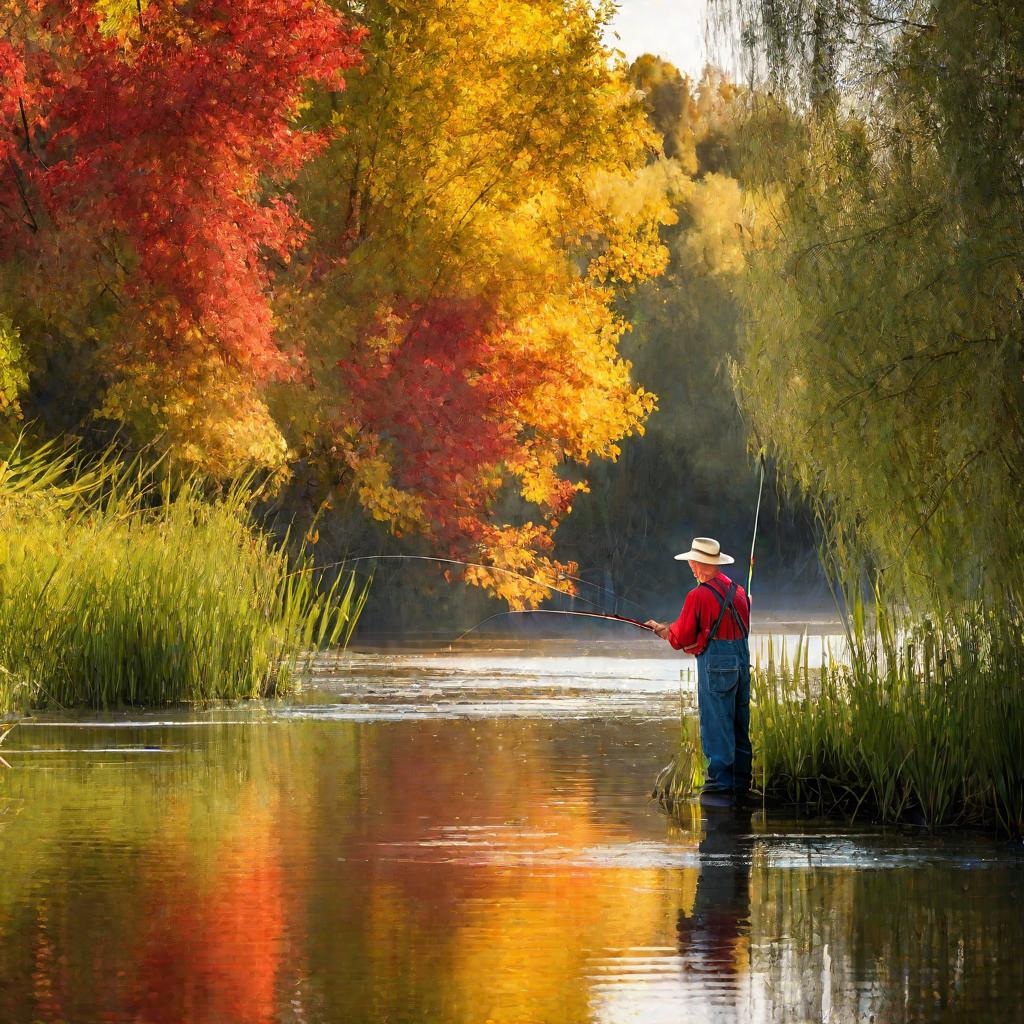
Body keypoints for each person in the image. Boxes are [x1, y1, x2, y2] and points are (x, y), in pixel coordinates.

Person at [645, 536, 752, 805]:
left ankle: (718, 793)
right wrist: (673, 631)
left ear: (701, 564)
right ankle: (740, 788)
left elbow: (681, 637)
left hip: (716, 667)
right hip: (741, 663)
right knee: (739, 726)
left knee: (717, 727)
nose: (691, 567)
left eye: (692, 563)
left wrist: (664, 631)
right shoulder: (739, 593)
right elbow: (708, 633)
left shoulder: (698, 595)